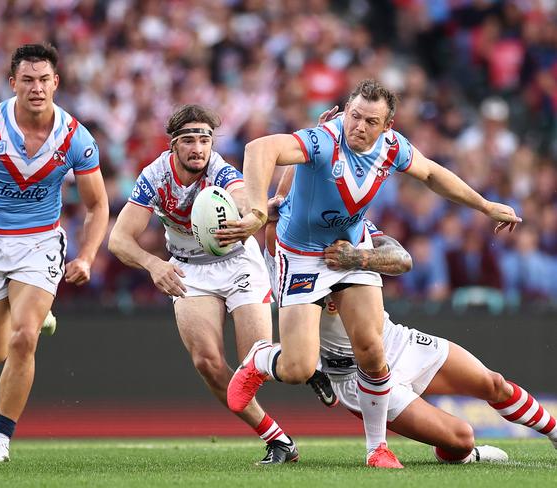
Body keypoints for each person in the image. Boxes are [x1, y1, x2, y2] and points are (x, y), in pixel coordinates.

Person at [218, 79, 521, 468]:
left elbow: (431, 174)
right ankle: (261, 359)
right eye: (354, 115)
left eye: (369, 121)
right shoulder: (324, 139)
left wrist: (483, 205)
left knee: (373, 348)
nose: (358, 125)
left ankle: (376, 449)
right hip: (304, 257)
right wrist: (258, 212)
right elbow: (260, 148)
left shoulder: (392, 148)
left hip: (350, 251)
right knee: (297, 368)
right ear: (345, 110)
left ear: (386, 126)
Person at [0, 44, 109, 462]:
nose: (36, 88)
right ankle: (32, 308)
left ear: (56, 83)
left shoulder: (75, 138)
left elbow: (98, 205)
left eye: (44, 79)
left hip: (40, 243)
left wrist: (85, 256)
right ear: (13, 83)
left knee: (24, 338)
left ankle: (0, 437)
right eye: (27, 80)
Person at [107, 104, 298, 465]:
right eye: (189, 140)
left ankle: (315, 365)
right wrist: (152, 265)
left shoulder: (221, 170)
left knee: (253, 364)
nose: (198, 148)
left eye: (205, 139)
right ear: (173, 145)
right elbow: (118, 239)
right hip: (189, 269)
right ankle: (278, 440)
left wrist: (252, 216)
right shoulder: (155, 176)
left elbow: (244, 198)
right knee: (208, 363)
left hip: (238, 262)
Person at [304, 225, 557, 464]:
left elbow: (402, 259)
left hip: (394, 341)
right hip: (353, 371)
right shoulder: (295, 249)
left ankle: (554, 432)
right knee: (462, 439)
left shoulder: (354, 221)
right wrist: (313, 366)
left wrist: (358, 258)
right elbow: (289, 321)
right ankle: (470, 455)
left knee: (494, 383)